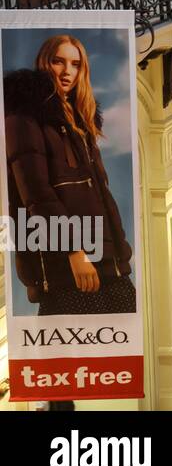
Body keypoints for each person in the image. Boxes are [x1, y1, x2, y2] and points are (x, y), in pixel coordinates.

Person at [4, 35, 136, 315]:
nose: (67, 72)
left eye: (75, 64)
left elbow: (100, 194)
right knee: (83, 353)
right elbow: (37, 194)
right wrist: (74, 251)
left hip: (103, 257)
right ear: (44, 63)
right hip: (69, 264)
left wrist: (119, 252)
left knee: (121, 351)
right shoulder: (23, 116)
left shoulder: (79, 117)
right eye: (58, 62)